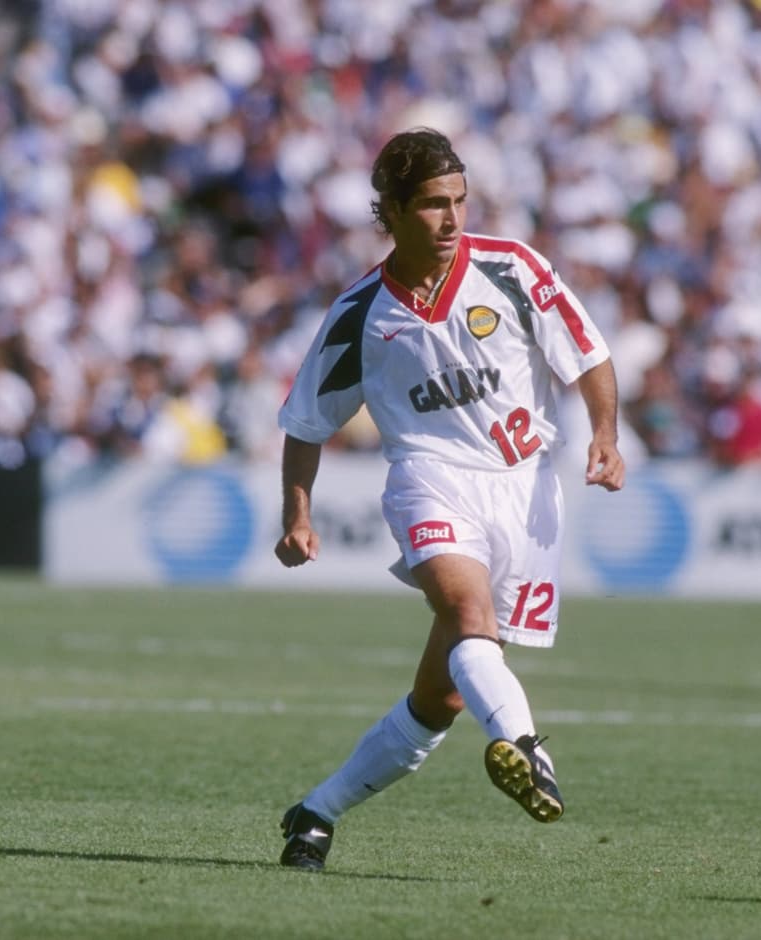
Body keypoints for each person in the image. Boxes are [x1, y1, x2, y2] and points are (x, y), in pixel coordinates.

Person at [273, 127, 626, 871]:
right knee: (468, 616)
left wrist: (605, 433)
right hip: (428, 479)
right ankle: (529, 748)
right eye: (434, 204)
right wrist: (296, 513)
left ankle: (316, 813)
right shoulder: (361, 312)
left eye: (460, 201)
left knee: (442, 699)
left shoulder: (511, 268)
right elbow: (307, 420)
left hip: (526, 492)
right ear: (393, 211)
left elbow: (587, 353)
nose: (452, 218)